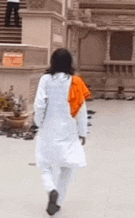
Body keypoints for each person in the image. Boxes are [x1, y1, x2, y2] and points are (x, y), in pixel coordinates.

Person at [34, 48, 91, 216]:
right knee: (67, 166)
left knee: (45, 164)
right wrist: (83, 132)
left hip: (48, 128)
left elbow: (39, 104)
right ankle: (57, 201)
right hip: (69, 129)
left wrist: (39, 123)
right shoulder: (76, 81)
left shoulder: (45, 79)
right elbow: (81, 109)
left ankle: (51, 188)